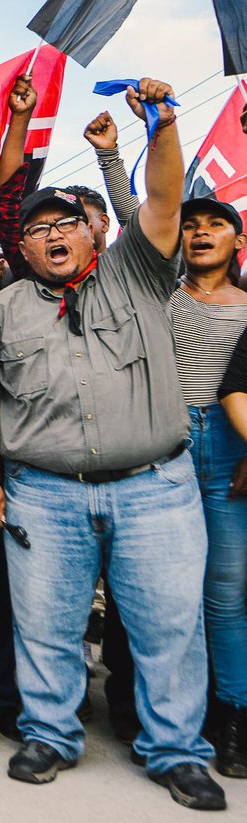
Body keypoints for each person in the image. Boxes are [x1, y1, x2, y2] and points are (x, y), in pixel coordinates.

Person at [0, 79, 226, 811]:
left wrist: (159, 127)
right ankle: (48, 734)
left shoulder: (137, 275)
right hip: (42, 492)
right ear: (22, 245)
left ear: (94, 232)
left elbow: (166, 203)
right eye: (38, 229)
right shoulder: (3, 310)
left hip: (154, 487)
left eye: (67, 224)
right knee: (45, 623)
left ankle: (178, 751)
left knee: (170, 625)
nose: (52, 235)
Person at [171, 195, 247, 779]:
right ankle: (179, 718)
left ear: (237, 243)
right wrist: (112, 157)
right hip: (167, 445)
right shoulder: (162, 297)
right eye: (190, 226)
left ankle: (235, 718)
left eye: (215, 225)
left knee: (225, 592)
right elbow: (140, 211)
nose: (200, 233)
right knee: (168, 594)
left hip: (231, 448)